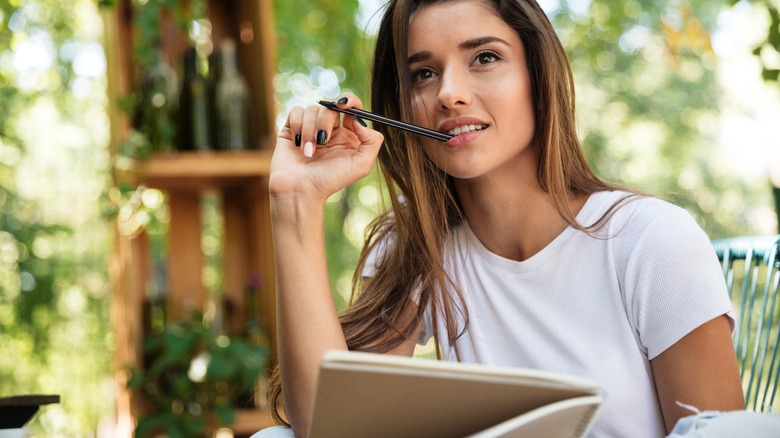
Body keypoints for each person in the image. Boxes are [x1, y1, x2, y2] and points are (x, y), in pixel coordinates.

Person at [256, 0, 747, 437]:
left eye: (484, 58)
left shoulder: (652, 241)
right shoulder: (417, 243)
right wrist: (294, 202)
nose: (450, 93)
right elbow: (328, 428)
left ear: (538, 74)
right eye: (423, 73)